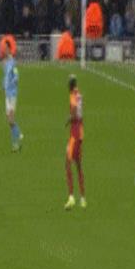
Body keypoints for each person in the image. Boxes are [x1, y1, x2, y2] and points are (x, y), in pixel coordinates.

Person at [64, 75, 86, 210]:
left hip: (74, 133)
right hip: (81, 132)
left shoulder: (72, 96)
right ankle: (83, 198)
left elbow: (73, 113)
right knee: (78, 166)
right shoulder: (79, 94)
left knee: (67, 164)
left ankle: (71, 197)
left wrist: (68, 120)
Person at [1, 41, 23, 152]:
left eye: (6, 48)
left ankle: (18, 137)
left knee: (11, 120)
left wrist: (12, 82)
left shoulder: (12, 62)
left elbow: (16, 76)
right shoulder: (5, 63)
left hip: (12, 94)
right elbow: (5, 76)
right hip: (7, 94)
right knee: (10, 121)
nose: (4, 50)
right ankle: (16, 141)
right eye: (3, 48)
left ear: (9, 49)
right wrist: (2, 86)